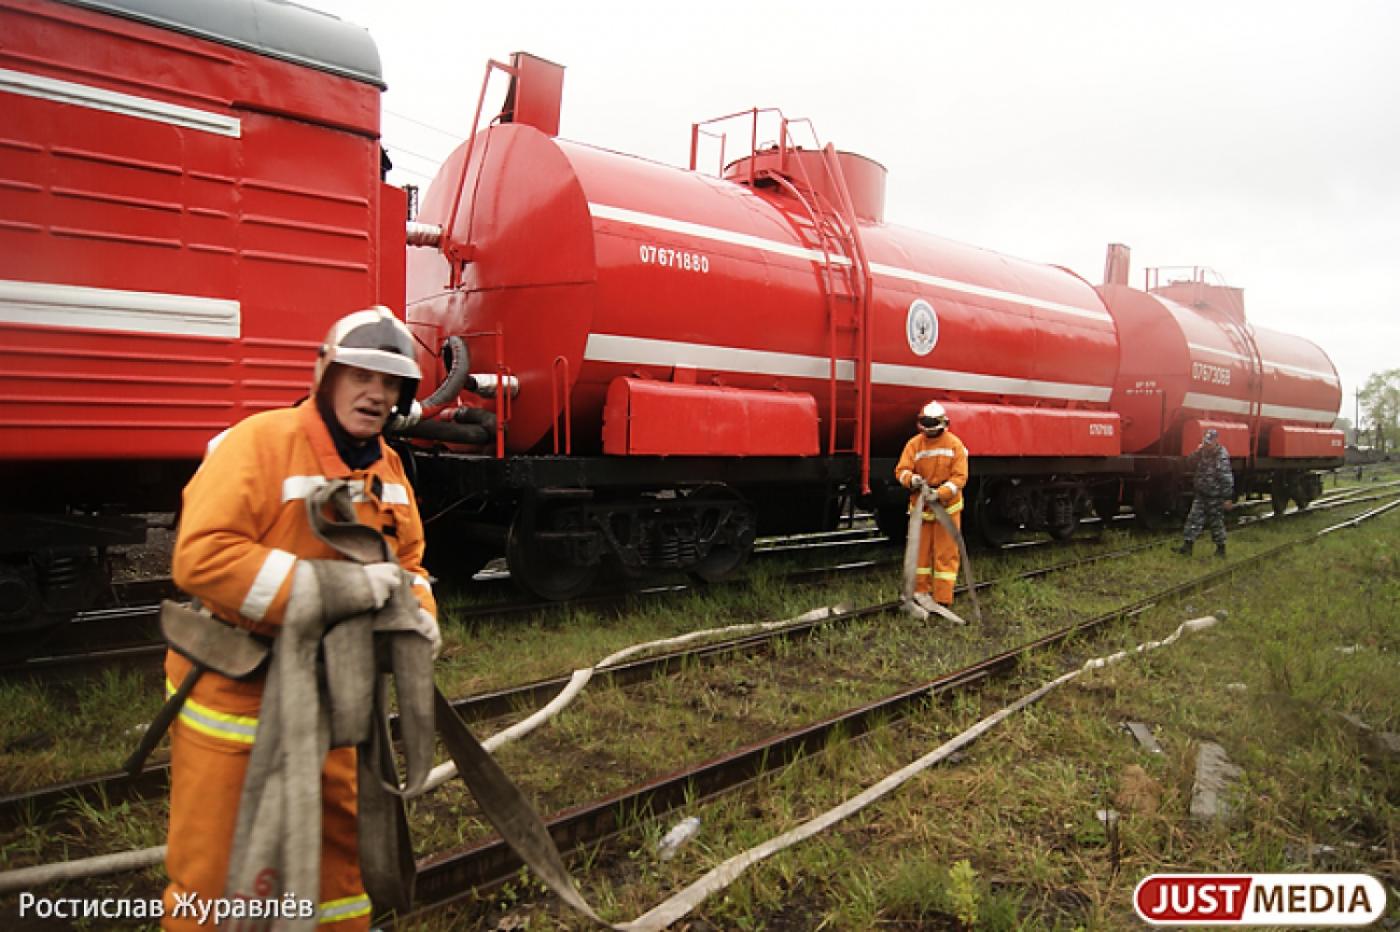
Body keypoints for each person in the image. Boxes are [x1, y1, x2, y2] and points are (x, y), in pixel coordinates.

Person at [162, 307, 440, 931]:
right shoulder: (260, 443)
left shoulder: (387, 469)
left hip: (335, 701)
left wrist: (419, 613)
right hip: (238, 700)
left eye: (390, 383)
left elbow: (410, 562)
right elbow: (201, 558)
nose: (376, 394)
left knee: (337, 867)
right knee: (220, 873)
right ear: (326, 375)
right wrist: (332, 589)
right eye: (361, 376)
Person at [895, 400, 969, 610]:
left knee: (945, 554)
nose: (929, 431)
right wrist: (912, 480)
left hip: (947, 508)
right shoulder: (914, 444)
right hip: (922, 508)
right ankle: (919, 593)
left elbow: (960, 478)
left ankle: (943, 598)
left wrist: (941, 493)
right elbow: (901, 470)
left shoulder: (955, 445)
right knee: (919, 555)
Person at [1176, 427, 1234, 558]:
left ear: (1215, 441)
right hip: (1201, 494)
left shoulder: (1221, 456)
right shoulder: (1202, 452)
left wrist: (1227, 498)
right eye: (1205, 442)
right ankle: (1187, 547)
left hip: (1215, 496)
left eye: (1209, 443)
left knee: (1216, 523)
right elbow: (1189, 462)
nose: (1207, 445)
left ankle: (1221, 549)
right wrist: (1198, 451)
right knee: (1193, 519)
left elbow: (1226, 478)